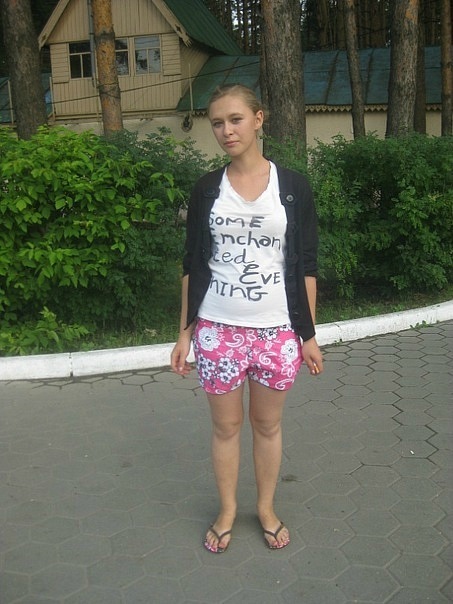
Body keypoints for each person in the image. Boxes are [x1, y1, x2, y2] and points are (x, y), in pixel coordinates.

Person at [170, 83, 323, 554]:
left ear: (259, 119)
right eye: (217, 122)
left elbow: (306, 266)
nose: (226, 130)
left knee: (268, 426)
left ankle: (267, 508)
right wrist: (184, 333)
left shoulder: (292, 188)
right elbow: (193, 263)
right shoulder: (206, 190)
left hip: (276, 331)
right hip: (217, 330)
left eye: (235, 119)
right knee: (225, 428)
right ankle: (227, 510)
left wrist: (308, 335)